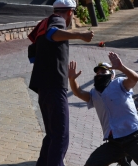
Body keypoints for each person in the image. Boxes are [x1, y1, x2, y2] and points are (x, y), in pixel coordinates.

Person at [28, 0, 94, 165]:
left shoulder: (45, 22)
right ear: (70, 12)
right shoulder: (57, 21)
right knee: (61, 137)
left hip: (43, 88)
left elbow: (33, 56)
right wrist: (80, 35)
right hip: (55, 86)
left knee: (52, 135)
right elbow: (53, 34)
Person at [68, 52, 138, 166]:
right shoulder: (94, 94)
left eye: (103, 71)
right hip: (114, 142)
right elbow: (78, 92)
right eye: (97, 72)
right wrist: (72, 80)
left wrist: (121, 67)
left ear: (112, 75)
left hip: (133, 137)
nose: (99, 74)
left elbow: (135, 78)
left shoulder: (120, 84)